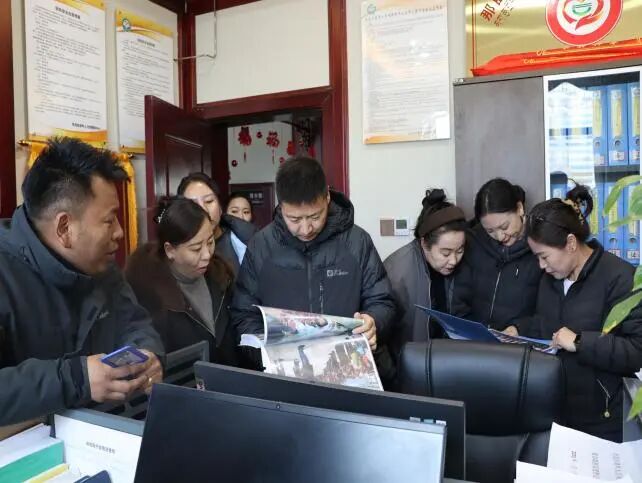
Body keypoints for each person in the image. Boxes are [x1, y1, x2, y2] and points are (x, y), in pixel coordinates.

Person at [0, 137, 163, 426]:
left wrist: (148, 354)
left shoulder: (101, 266)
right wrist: (77, 379)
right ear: (65, 227)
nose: (119, 232)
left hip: (100, 432)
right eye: (109, 220)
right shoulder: (6, 273)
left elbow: (134, 322)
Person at [510, 186, 642, 442]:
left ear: (570, 243)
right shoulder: (551, 278)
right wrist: (518, 329)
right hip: (553, 410)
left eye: (544, 256)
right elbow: (549, 324)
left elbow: (636, 351)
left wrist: (581, 342)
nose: (541, 266)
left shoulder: (620, 278)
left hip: (602, 419)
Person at [230, 156, 395, 359]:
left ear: (327, 197)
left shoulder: (357, 242)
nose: (306, 228)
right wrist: (265, 354)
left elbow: (382, 301)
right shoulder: (261, 246)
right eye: (294, 219)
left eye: (315, 217)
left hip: (346, 363)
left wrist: (373, 321)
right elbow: (244, 314)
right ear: (281, 206)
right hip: (283, 370)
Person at [125, 197, 239, 366]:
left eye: (210, 242)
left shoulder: (222, 275)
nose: (207, 254)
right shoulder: (147, 295)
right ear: (170, 250)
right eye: (196, 249)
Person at [384, 189, 466, 356]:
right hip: (409, 363)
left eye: (460, 251)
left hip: (447, 358)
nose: (454, 260)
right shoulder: (397, 272)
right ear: (424, 244)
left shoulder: (465, 264)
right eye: (445, 253)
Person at [452, 178, 541, 331]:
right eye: (490, 231)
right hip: (475, 340)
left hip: (519, 342)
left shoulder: (541, 247)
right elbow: (460, 299)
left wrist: (520, 328)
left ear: (519, 208)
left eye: (504, 227)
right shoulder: (474, 242)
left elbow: (547, 314)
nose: (500, 237)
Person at [177, 173, 256, 274]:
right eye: (193, 205)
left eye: (209, 201)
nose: (204, 210)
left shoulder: (245, 241)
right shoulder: (176, 250)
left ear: (220, 207)